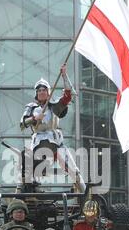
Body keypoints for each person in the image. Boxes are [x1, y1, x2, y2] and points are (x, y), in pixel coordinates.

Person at [20, 64, 86, 192]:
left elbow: (68, 96)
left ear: (48, 92)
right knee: (27, 174)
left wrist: (64, 75)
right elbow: (22, 124)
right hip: (38, 145)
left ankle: (87, 196)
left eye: (44, 90)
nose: (41, 92)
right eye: (39, 90)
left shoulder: (53, 105)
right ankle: (24, 198)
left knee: (74, 171)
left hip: (57, 144)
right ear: (36, 93)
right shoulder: (31, 107)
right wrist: (34, 119)